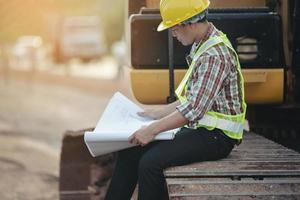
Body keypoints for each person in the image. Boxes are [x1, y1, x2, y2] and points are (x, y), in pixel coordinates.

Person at [104, 0, 247, 199]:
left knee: (150, 163)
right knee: (130, 151)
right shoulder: (203, 44)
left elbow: (194, 110)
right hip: (202, 129)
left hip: (217, 137)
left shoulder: (214, 55)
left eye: (174, 28)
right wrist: (158, 113)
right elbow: (193, 97)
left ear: (190, 23)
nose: (173, 34)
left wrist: (151, 130)